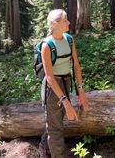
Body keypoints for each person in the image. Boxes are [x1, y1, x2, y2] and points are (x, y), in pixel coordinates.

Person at [39, 9, 89, 158]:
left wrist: (81, 91)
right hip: (53, 87)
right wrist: (66, 103)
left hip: (66, 82)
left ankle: (44, 147)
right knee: (55, 128)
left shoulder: (69, 39)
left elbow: (76, 65)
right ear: (55, 24)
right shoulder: (47, 45)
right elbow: (49, 78)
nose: (68, 22)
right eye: (65, 20)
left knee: (56, 121)